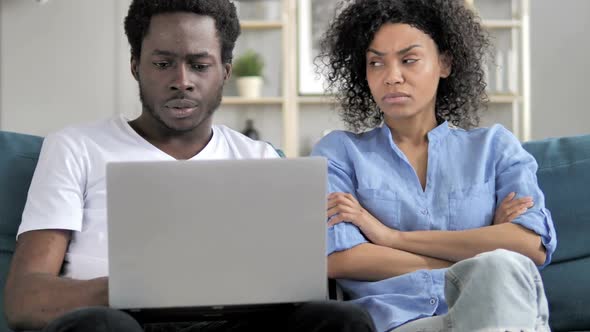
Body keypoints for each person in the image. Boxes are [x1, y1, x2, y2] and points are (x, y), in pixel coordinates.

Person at [3, 1, 376, 331]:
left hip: (241, 321)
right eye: (163, 64)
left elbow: (298, 286)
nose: (182, 82)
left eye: (199, 65)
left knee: (342, 319)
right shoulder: (76, 147)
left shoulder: (258, 158)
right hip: (121, 320)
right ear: (135, 66)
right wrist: (132, 288)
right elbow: (25, 301)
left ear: (225, 73)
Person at [311, 0, 557, 331]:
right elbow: (341, 258)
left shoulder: (495, 148)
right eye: (376, 63)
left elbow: (530, 245)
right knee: (495, 260)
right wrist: (480, 247)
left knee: (499, 268)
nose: (392, 77)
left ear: (444, 63)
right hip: (399, 323)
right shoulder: (340, 153)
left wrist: (389, 237)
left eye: (409, 60)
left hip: (490, 311)